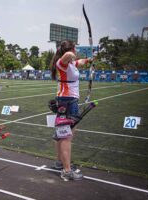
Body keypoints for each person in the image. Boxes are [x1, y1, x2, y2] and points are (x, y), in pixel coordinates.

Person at [50, 40, 92, 181]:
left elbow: (79, 62)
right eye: (74, 49)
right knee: (67, 136)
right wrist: (71, 54)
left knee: (63, 133)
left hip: (68, 100)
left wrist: (89, 60)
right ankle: (67, 171)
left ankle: (59, 162)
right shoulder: (61, 63)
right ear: (72, 49)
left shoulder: (70, 64)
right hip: (68, 101)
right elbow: (68, 55)